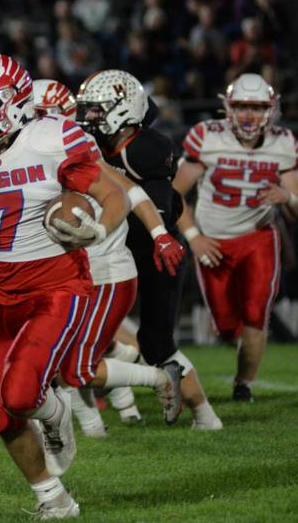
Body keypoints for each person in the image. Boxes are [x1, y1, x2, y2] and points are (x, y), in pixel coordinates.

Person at [0, 54, 129, 518]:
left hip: (58, 284)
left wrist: (97, 231)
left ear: (13, 102)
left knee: (20, 396)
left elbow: (113, 194)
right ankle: (53, 498)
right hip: (2, 291)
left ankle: (54, 412)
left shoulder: (51, 137)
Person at [34, 78, 185, 436]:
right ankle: (95, 426)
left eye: (42, 114)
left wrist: (161, 235)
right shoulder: (22, 151)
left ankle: (158, 379)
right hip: (64, 266)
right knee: (62, 354)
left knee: (75, 365)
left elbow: (130, 193)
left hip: (102, 265)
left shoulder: (72, 144)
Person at [75, 69, 223, 430]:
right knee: (87, 322)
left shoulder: (144, 149)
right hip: (123, 250)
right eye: (89, 110)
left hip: (157, 253)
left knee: (157, 343)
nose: (89, 118)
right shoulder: (106, 143)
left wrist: (162, 234)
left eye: (98, 111)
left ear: (124, 111)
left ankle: (205, 416)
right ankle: (121, 379)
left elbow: (156, 204)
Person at [173, 73, 298, 402]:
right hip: (213, 241)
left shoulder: (283, 144)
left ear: (271, 109)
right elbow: (173, 194)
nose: (249, 115)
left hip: (257, 238)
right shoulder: (207, 137)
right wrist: (193, 237)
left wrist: (287, 198)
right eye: (242, 106)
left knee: (255, 313)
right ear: (228, 108)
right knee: (224, 323)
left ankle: (243, 383)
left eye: (257, 107)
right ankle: (238, 354)